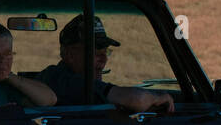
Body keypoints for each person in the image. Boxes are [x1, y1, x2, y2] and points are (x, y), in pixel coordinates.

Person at [38, 14, 175, 113]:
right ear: (70, 55)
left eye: (106, 52)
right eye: (96, 52)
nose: (103, 59)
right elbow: (137, 99)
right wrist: (158, 98)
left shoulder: (71, 80)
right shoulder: (62, 80)